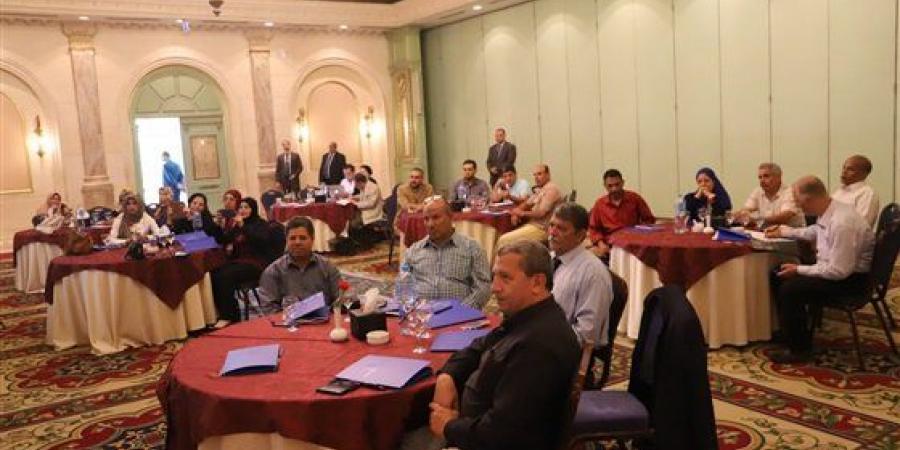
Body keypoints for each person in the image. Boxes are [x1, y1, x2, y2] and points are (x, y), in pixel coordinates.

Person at [426, 240, 579, 449]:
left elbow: (501, 435)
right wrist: (448, 375)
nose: (494, 288)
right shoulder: (527, 318)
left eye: (505, 278)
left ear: (537, 283)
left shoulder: (539, 347)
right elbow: (479, 346)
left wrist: (449, 426)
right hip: (473, 428)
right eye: (494, 276)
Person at [765, 176, 874, 363]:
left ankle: (799, 349)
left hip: (851, 281)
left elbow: (839, 271)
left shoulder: (842, 223)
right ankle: (791, 331)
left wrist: (799, 270)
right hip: (839, 270)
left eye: (797, 201)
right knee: (778, 274)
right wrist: (785, 231)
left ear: (808, 199)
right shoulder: (832, 208)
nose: (797, 206)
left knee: (790, 289)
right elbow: (816, 230)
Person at [403, 197, 491, 308]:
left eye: (436, 217)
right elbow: (403, 285)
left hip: (461, 314)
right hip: (422, 314)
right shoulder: (413, 251)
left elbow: (483, 288)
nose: (430, 224)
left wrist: (461, 312)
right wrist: (414, 309)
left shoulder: (472, 248)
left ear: (450, 217)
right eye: (426, 219)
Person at [549, 202, 613, 345]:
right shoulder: (550, 258)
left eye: (561, 228)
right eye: (551, 225)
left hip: (564, 348)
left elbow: (587, 334)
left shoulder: (593, 274)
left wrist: (542, 338)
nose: (552, 233)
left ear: (580, 236)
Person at [211, 197, 274, 328]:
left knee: (225, 276)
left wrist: (243, 227)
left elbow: (260, 242)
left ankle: (229, 316)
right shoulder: (238, 225)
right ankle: (223, 312)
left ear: (253, 209)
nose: (243, 210)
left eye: (246, 207)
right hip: (239, 261)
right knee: (214, 272)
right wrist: (217, 226)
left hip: (256, 262)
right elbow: (223, 240)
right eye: (241, 207)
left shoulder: (260, 224)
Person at [258, 216, 342, 312]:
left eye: (303, 238)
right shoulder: (273, 271)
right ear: (287, 240)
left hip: (325, 319)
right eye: (292, 238)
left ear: (312, 239)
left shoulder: (327, 268)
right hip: (287, 320)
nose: (297, 242)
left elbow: (340, 300)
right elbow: (268, 309)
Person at [588, 169, 655, 258]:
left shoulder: (634, 198)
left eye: (617, 184)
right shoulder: (600, 204)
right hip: (611, 245)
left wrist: (639, 235)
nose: (614, 189)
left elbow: (649, 220)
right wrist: (601, 244)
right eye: (610, 186)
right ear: (605, 186)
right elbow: (594, 229)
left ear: (623, 183)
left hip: (633, 243)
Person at [494, 164, 562, 249]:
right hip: (533, 224)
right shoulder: (540, 189)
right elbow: (527, 203)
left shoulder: (552, 189)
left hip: (543, 229)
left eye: (539, 174)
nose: (536, 177)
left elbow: (541, 213)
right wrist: (516, 212)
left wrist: (521, 213)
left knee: (503, 240)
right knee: (502, 233)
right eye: (535, 175)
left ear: (548, 175)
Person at [736, 162, 805, 228]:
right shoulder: (758, 191)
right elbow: (746, 209)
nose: (762, 180)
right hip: (768, 232)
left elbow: (784, 217)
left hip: (792, 234)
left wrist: (757, 220)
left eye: (766, 176)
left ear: (778, 177)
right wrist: (743, 214)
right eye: (760, 177)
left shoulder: (790, 192)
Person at [832, 154, 880, 228]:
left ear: (863, 173)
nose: (844, 172)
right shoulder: (839, 192)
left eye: (850, 169)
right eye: (844, 168)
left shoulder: (867, 194)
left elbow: (861, 226)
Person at [349, 173, 385, 244]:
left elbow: (370, 204)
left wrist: (355, 203)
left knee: (353, 223)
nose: (355, 186)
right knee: (350, 219)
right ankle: (360, 241)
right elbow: (363, 196)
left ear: (360, 182)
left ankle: (363, 242)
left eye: (356, 184)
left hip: (373, 212)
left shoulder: (373, 188)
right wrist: (354, 197)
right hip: (366, 210)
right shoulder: (364, 186)